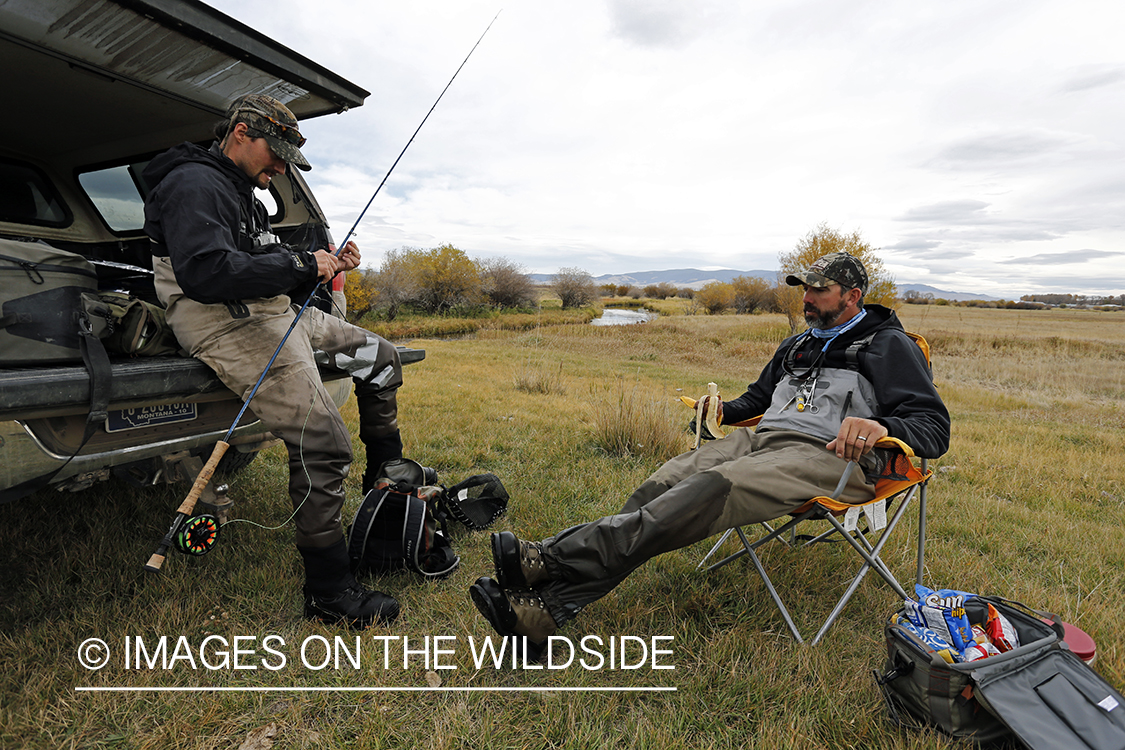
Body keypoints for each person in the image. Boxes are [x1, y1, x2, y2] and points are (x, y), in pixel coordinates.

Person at [469, 252, 950, 649]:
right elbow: (755, 403)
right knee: (660, 485)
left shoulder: (888, 345)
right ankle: (551, 610)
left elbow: (933, 427)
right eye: (804, 288)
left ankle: (550, 559)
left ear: (852, 296)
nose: (806, 298)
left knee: (703, 491)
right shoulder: (798, 344)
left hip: (830, 461)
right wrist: (719, 409)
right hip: (760, 442)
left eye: (818, 290)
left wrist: (879, 424)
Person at [143, 94, 406, 627]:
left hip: (277, 310)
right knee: (324, 441)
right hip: (226, 320)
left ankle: (386, 488)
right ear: (240, 132)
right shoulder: (194, 184)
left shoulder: (242, 192)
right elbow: (207, 274)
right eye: (277, 153)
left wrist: (323, 264)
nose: (282, 168)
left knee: (382, 359)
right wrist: (299, 262)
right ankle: (329, 590)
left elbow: (257, 260)